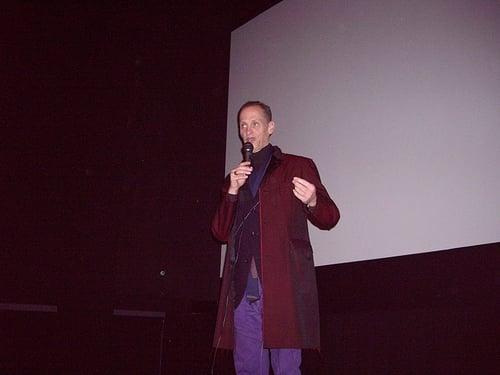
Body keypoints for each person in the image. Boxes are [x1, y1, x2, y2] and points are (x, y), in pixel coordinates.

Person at [211, 101, 340, 374]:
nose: (248, 130)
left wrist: (314, 200)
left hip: (283, 289)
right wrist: (231, 192)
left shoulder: (297, 166)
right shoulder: (233, 178)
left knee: (286, 370)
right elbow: (220, 232)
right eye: (242, 125)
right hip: (243, 290)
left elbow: (330, 217)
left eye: (255, 123)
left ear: (270, 128)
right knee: (247, 369)